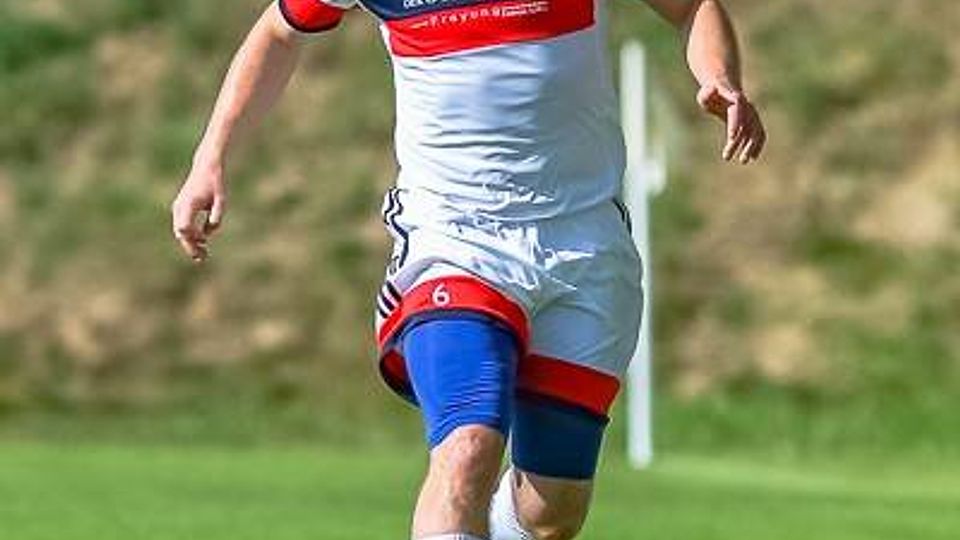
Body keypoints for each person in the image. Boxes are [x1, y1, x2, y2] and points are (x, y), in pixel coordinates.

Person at [171, 0, 765, 539]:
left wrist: (719, 77)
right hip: (454, 238)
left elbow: (692, 7)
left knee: (551, 513)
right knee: (467, 448)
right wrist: (210, 158)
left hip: (584, 244)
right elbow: (280, 31)